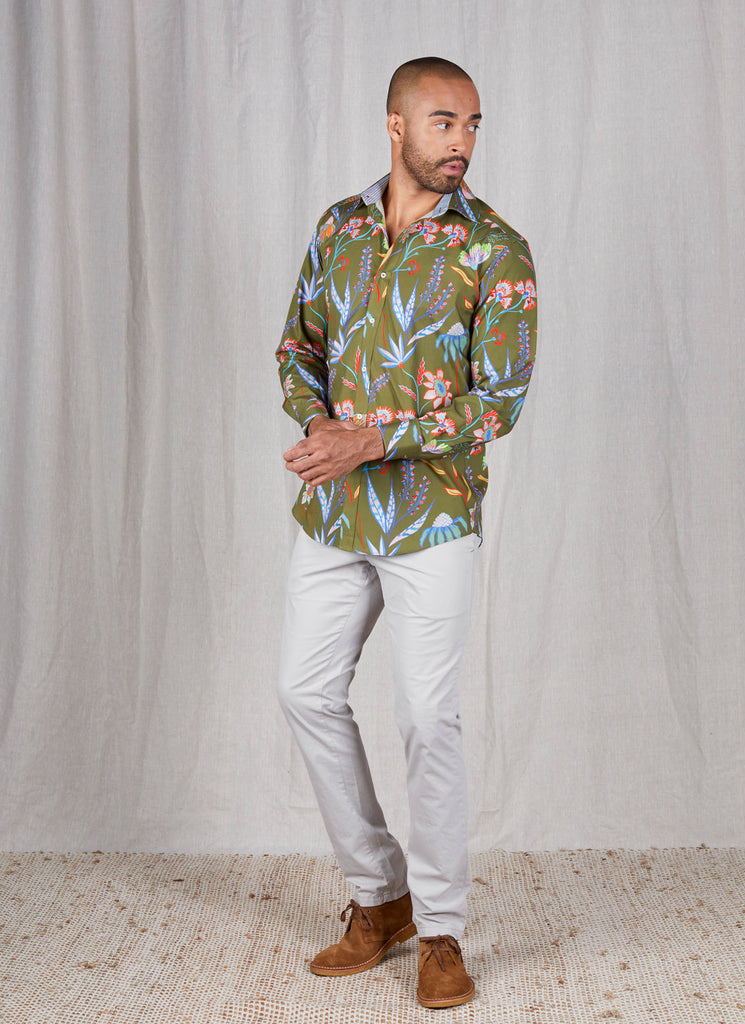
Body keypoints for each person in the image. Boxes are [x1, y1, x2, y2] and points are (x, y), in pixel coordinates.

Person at [275, 56, 536, 1009]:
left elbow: (499, 402)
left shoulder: (495, 249)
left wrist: (372, 438)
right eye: (443, 122)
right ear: (396, 126)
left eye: (472, 124)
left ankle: (441, 930)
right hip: (335, 512)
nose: (461, 141)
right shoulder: (339, 227)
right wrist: (318, 425)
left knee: (428, 717)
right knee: (303, 691)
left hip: (433, 515)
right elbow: (297, 346)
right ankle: (377, 895)